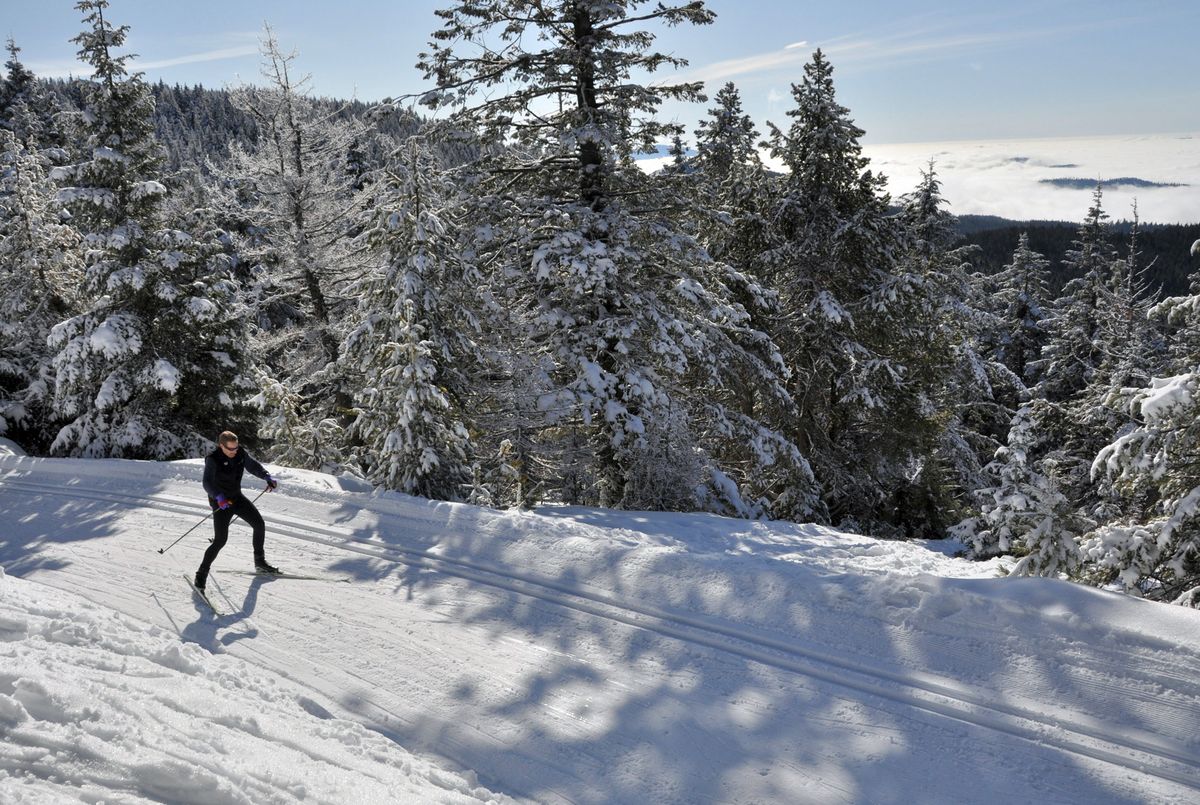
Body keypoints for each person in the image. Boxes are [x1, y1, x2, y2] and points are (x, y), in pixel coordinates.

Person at [194, 431, 280, 591]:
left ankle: (260, 562)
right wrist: (218, 496)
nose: (234, 451)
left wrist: (266, 476)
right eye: (230, 449)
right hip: (221, 502)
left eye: (236, 447)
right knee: (220, 541)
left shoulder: (239, 453)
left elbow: (252, 465)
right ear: (222, 446)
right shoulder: (213, 459)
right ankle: (201, 574)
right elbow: (207, 482)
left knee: (259, 524)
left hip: (236, 497)